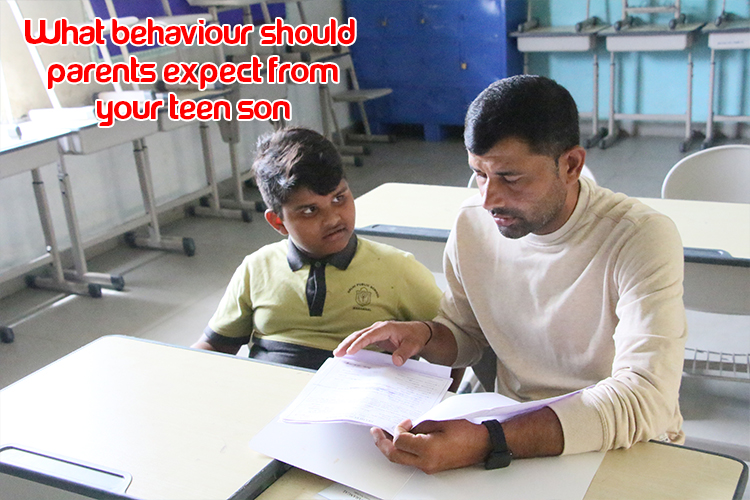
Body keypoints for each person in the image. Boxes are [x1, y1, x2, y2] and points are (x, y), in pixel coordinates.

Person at [334, 75, 687, 474]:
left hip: (620, 442)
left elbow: (645, 398)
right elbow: (467, 335)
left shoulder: (639, 237)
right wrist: (426, 336)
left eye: (510, 177)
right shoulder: (473, 224)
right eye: (479, 174)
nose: (487, 199)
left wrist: (489, 442)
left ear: (571, 165)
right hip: (513, 433)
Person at [192, 127, 443, 371]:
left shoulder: (397, 269)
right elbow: (216, 344)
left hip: (361, 403)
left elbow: (453, 341)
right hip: (271, 401)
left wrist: (443, 403)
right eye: (310, 210)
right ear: (278, 222)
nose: (333, 218)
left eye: (339, 198)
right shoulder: (257, 268)